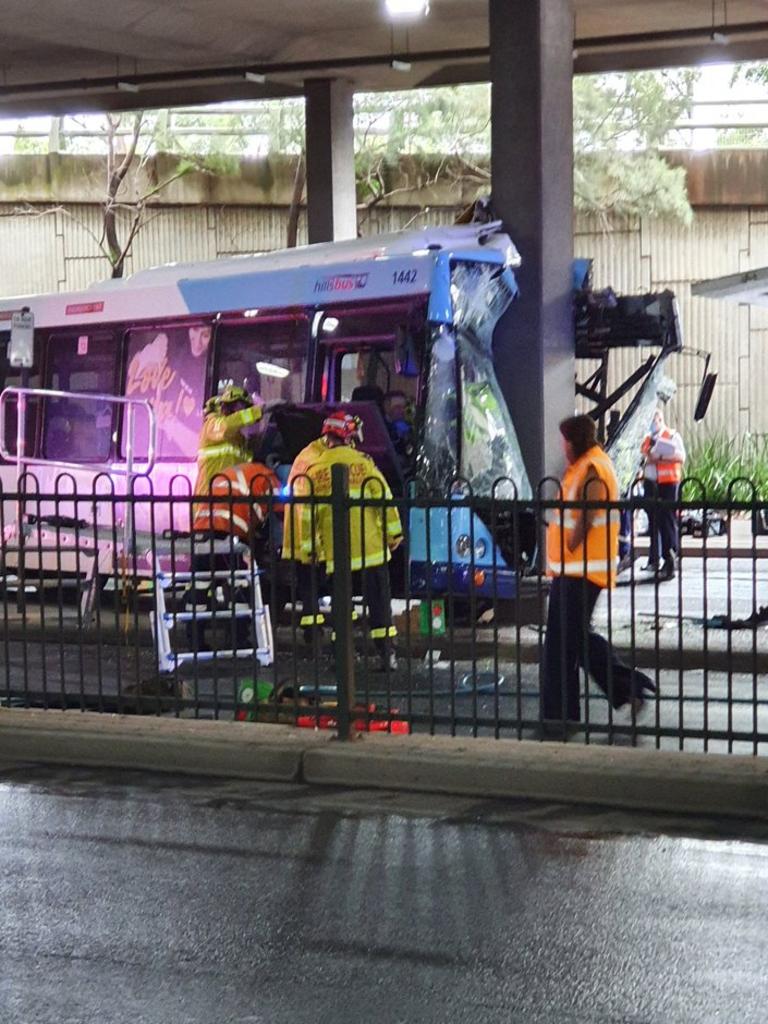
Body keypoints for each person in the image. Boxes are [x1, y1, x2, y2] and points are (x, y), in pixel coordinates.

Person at [543, 415, 655, 733]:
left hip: (580, 571)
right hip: (572, 570)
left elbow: (588, 515)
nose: (562, 446)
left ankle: (562, 715)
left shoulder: (593, 467)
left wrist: (569, 544)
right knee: (572, 640)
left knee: (564, 644)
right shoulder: (587, 464)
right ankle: (624, 689)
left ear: (574, 441)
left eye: (565, 440)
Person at [299, 412, 403, 672]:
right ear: (348, 434)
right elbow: (385, 502)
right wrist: (395, 534)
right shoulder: (364, 464)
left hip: (337, 554)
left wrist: (310, 549)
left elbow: (306, 517)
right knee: (379, 604)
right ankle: (386, 654)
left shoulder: (314, 471)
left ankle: (342, 656)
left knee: (342, 607)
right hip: (371, 550)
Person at [187, 460, 280, 652]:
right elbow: (279, 507)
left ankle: (194, 640)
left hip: (201, 530)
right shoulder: (266, 476)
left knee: (199, 585)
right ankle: (238, 640)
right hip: (229, 533)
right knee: (238, 587)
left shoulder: (231, 471)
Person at [193, 385, 264, 499]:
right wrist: (257, 411)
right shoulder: (212, 425)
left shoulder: (239, 439)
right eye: (242, 407)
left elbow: (247, 465)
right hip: (208, 500)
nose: (243, 411)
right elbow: (228, 426)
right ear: (230, 405)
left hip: (229, 500)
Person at [641, 408, 686, 581]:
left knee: (667, 521)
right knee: (655, 521)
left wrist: (659, 458)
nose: (652, 424)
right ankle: (656, 559)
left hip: (667, 483)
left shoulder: (672, 435)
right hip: (651, 483)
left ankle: (670, 560)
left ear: (660, 419)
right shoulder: (647, 438)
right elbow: (643, 456)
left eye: (654, 420)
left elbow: (681, 457)